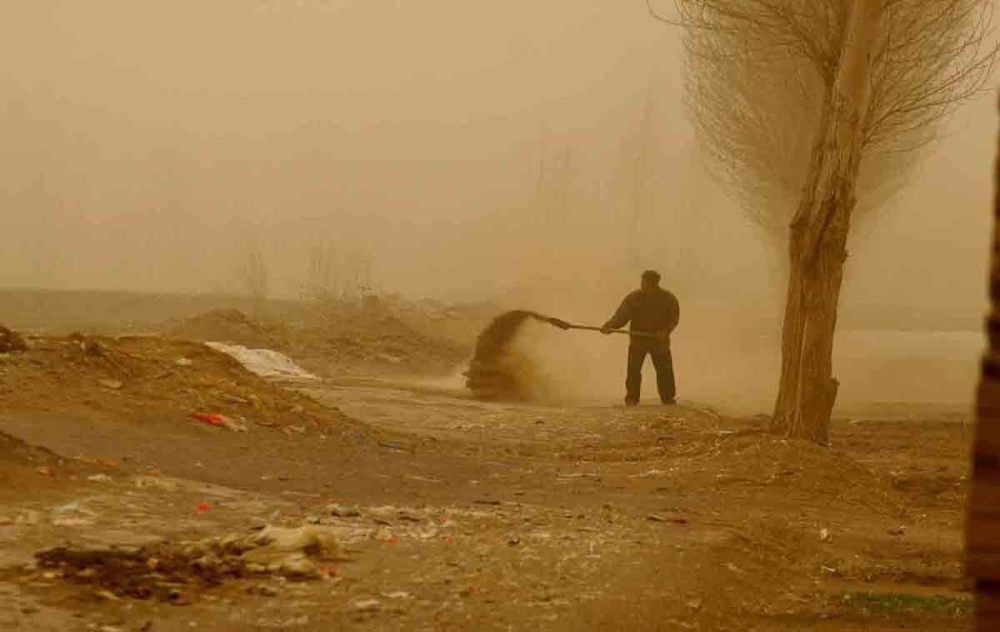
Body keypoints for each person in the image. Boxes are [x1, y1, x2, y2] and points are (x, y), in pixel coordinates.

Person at [601, 270, 680, 406]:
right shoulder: (634, 298)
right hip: (638, 341)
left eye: (645, 283)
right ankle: (631, 398)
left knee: (664, 371)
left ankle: (668, 398)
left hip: (659, 342)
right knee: (633, 370)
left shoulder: (668, 299)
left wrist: (664, 332)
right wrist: (610, 326)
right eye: (642, 282)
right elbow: (622, 315)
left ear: (654, 284)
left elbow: (673, 319)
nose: (642, 285)